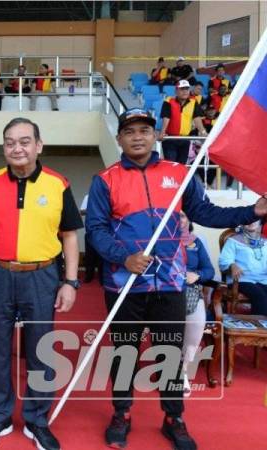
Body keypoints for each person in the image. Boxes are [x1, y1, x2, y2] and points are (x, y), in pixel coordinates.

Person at [85, 108, 267, 450]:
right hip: (125, 284)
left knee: (169, 351)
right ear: (120, 138)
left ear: (156, 136)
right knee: (125, 351)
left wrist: (252, 212)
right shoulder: (105, 180)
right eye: (130, 131)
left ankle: (174, 418)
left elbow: (208, 213)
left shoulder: (179, 174)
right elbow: (95, 230)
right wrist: (122, 257)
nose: (137, 136)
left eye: (144, 130)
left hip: (169, 283)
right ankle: (121, 414)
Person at [0, 117, 82, 450]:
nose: (17, 148)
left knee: (41, 349)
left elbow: (70, 236)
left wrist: (70, 282)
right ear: (3, 148)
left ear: (39, 145)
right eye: (10, 142)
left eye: (25, 141)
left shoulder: (58, 184)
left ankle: (36, 419)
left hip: (42, 275)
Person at [179, 212, 215, 396]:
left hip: (191, 290)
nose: (179, 220)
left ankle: (182, 370)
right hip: (164, 290)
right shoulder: (159, 240)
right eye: (175, 216)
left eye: (183, 216)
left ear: (190, 220)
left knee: (196, 323)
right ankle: (168, 365)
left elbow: (210, 270)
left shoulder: (196, 242)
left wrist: (198, 276)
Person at [219, 221, 267, 315]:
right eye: (248, 219)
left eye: (255, 219)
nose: (251, 222)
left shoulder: (265, 242)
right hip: (242, 279)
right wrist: (232, 265)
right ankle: (259, 328)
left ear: (260, 223)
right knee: (259, 295)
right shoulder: (233, 241)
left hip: (263, 280)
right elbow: (224, 261)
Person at [159, 80, 207, 164]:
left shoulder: (193, 102)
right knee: (171, 165)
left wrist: (203, 132)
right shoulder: (168, 101)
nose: (185, 91)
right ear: (176, 91)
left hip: (185, 139)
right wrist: (162, 132)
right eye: (182, 89)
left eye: (187, 89)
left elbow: (197, 118)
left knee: (182, 165)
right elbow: (166, 117)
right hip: (171, 139)